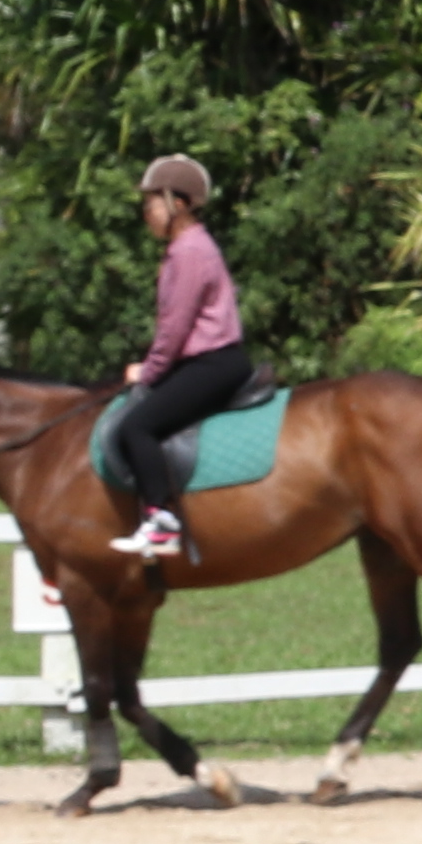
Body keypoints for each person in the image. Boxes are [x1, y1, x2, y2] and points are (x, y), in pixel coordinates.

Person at [113, 152, 262, 567]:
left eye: (151, 203)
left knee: (137, 427)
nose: (146, 213)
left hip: (211, 362)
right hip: (209, 361)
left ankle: (161, 518)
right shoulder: (190, 247)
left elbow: (174, 328)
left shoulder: (189, 252)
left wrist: (150, 373)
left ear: (177, 204)